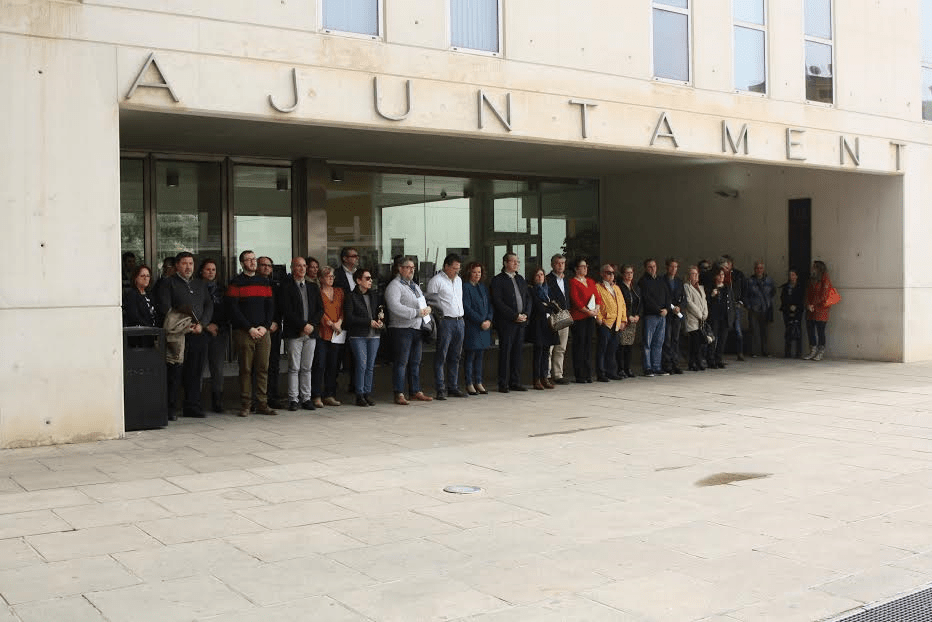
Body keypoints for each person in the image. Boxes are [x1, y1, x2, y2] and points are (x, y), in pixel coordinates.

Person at [157, 251, 213, 420]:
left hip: (198, 333)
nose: (188, 267)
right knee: (175, 372)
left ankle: (192, 406)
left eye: (191, 263)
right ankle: (170, 409)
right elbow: (165, 309)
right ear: (177, 266)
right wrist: (185, 325)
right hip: (178, 335)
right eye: (184, 263)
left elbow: (209, 305)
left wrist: (201, 324)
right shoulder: (168, 283)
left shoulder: (200, 284)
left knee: (195, 372)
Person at [227, 250, 277, 417]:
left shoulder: (265, 282)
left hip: (263, 332)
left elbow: (270, 307)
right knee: (246, 369)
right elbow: (233, 310)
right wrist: (249, 328)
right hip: (244, 332)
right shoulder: (236, 282)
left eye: (254, 259)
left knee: (263, 368)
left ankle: (262, 403)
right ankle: (246, 404)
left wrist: (265, 326)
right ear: (242, 264)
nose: (252, 262)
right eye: (248, 260)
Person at [385, 256, 434, 405]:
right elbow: (394, 307)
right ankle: (399, 393)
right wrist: (416, 313)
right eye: (408, 267)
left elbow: (421, 302)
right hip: (401, 329)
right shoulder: (394, 286)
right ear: (400, 269)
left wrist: (427, 311)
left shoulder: (414, 285)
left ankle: (415, 391)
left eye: (413, 267)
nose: (411, 270)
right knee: (401, 362)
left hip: (417, 328)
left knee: (415, 362)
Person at [281, 257, 323, 412]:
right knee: (294, 367)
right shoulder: (286, 287)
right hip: (295, 332)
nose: (302, 269)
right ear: (292, 268)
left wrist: (311, 324)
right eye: (298, 266)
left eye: (304, 266)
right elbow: (287, 311)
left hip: (311, 332)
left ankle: (306, 398)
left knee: (307, 367)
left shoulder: (313, 287)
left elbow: (320, 309)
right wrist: (302, 325)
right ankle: (293, 399)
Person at [426, 254, 466, 399]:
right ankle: (440, 388)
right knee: (441, 355)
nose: (456, 271)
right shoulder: (436, 281)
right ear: (446, 266)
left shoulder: (459, 280)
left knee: (456, 356)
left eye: (458, 269)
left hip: (459, 320)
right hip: (445, 321)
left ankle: (453, 386)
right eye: (454, 268)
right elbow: (431, 304)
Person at [490, 252, 531, 392]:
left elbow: (527, 298)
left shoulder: (520, 279)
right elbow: (498, 302)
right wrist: (514, 315)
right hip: (507, 322)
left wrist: (525, 314)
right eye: (513, 261)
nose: (516, 264)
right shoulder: (498, 280)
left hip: (521, 322)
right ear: (505, 263)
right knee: (506, 352)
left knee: (518, 352)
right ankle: (503, 383)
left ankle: (516, 381)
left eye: (517, 262)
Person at [344, 268, 384, 406]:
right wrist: (368, 322)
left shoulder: (374, 295)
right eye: (367, 278)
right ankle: (359, 394)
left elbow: (379, 311)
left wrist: (379, 321)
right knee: (361, 364)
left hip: (374, 335)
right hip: (358, 335)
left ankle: (367, 393)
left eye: (371, 278)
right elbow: (349, 317)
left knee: (370, 365)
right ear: (358, 280)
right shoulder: (351, 296)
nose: (370, 281)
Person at [198, 258, 229, 413]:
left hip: (219, 332)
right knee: (199, 367)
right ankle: (197, 401)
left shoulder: (222, 289)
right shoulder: (196, 288)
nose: (211, 272)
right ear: (202, 271)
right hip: (201, 332)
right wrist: (206, 325)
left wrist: (217, 325)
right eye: (208, 269)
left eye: (213, 270)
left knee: (217, 368)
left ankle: (217, 401)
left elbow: (227, 311)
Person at [314, 266, 346, 406]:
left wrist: (339, 322)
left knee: (334, 365)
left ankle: (330, 394)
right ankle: (316, 395)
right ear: (320, 278)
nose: (331, 278)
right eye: (328, 276)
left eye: (332, 276)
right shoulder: (318, 292)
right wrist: (330, 323)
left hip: (337, 333)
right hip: (323, 332)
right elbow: (318, 311)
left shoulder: (339, 292)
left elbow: (344, 309)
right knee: (320, 365)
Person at [567, 257, 601, 383]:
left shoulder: (591, 281)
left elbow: (597, 297)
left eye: (586, 266)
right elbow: (576, 301)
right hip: (579, 317)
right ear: (576, 269)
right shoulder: (573, 282)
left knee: (588, 345)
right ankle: (580, 374)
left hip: (590, 317)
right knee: (579, 346)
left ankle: (587, 374)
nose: (586, 268)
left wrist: (596, 310)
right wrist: (588, 311)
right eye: (582, 266)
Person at [462, 261, 493, 395]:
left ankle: (478, 382)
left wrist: (489, 319)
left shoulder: (483, 287)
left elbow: (490, 305)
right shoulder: (465, 287)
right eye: (474, 272)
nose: (477, 275)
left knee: (480, 356)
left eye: (479, 272)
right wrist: (481, 321)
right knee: (470, 356)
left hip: (484, 327)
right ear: (469, 272)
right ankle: (469, 383)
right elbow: (467, 308)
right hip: (473, 327)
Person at [257, 256, 284, 409]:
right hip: (258, 329)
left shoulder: (276, 285)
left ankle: (272, 395)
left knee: (274, 364)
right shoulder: (253, 283)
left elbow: (280, 307)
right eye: (263, 265)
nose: (266, 268)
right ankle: (259, 397)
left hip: (274, 328)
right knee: (259, 365)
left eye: (269, 265)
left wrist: (276, 323)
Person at [638, 258, 671, 377]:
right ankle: (648, 368)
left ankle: (657, 367)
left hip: (663, 315)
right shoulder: (643, 281)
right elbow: (646, 299)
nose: (652, 269)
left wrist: (667, 309)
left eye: (654, 266)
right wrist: (658, 310)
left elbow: (668, 296)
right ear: (646, 268)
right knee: (647, 342)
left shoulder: (661, 280)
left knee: (659, 342)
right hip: (650, 315)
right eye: (650, 267)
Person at [527, 268, 559, 390]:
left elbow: (553, 305)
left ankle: (545, 377)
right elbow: (538, 306)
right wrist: (547, 305)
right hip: (538, 324)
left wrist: (547, 305)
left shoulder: (547, 289)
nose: (540, 277)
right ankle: (536, 379)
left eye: (542, 275)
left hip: (549, 324)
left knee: (546, 352)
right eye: (537, 275)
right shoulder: (531, 289)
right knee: (538, 352)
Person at [595, 264, 626, 381]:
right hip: (605, 322)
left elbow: (622, 305)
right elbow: (595, 303)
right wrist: (599, 318)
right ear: (602, 274)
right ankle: (601, 373)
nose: (611, 275)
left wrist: (623, 319)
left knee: (613, 349)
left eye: (613, 273)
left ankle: (611, 371)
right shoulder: (598, 287)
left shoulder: (616, 288)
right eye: (608, 273)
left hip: (616, 322)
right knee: (602, 349)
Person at [546, 253, 572, 385]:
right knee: (550, 346)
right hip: (553, 316)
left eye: (562, 263)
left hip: (565, 316)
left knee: (561, 347)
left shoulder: (566, 280)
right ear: (552, 264)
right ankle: (547, 373)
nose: (560, 266)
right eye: (557, 263)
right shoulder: (547, 279)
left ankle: (558, 374)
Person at [804, 260, 834, 361]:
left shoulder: (825, 279)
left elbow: (824, 295)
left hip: (821, 310)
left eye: (814, 267)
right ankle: (812, 350)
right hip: (811, 309)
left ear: (819, 268)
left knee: (820, 331)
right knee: (810, 330)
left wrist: (813, 304)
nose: (812, 269)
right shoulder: (811, 279)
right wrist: (808, 304)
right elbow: (807, 293)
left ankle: (820, 351)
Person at [745, 260, 776, 357]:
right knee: (753, 331)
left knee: (765, 331)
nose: (759, 270)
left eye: (761, 268)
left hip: (765, 308)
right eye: (757, 268)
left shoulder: (769, 280)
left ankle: (765, 351)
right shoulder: (750, 281)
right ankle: (753, 351)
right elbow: (746, 294)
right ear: (754, 269)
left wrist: (768, 302)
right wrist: (748, 306)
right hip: (754, 308)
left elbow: (773, 292)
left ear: (764, 269)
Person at [661, 258, 686, 374]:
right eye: (671, 266)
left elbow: (684, 298)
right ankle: (667, 364)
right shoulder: (662, 280)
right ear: (667, 267)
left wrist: (679, 307)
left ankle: (675, 363)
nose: (674, 269)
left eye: (676, 267)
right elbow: (661, 297)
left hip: (677, 314)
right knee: (667, 339)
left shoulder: (679, 281)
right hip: (667, 314)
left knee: (675, 339)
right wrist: (669, 307)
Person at [616, 264, 641, 379]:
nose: (629, 275)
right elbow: (620, 304)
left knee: (629, 345)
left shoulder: (634, 286)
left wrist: (637, 315)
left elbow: (640, 302)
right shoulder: (619, 287)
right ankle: (620, 368)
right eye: (627, 273)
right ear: (622, 274)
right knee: (622, 345)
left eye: (631, 273)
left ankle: (628, 368)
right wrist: (627, 316)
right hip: (624, 320)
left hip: (633, 320)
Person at [682, 265, 709, 371]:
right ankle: (693, 362)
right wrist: (699, 314)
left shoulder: (701, 288)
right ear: (689, 276)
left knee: (699, 342)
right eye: (693, 274)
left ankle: (697, 361)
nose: (696, 275)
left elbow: (705, 302)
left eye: (697, 273)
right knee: (694, 342)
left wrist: (705, 313)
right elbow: (689, 302)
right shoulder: (686, 287)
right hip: (692, 318)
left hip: (701, 319)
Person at [705, 266, 732, 369]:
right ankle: (710, 359)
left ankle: (718, 359)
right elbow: (707, 302)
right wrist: (712, 295)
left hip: (724, 317)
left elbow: (731, 303)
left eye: (723, 275)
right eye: (719, 275)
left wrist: (731, 316)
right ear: (715, 276)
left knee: (722, 339)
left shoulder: (727, 287)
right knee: (713, 338)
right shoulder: (710, 287)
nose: (721, 277)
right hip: (714, 316)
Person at [722, 255, 747, 361]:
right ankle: (720, 352)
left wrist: (741, 301)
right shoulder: (721, 274)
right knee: (724, 329)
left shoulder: (738, 274)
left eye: (728, 263)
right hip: (724, 305)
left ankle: (740, 352)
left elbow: (744, 288)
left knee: (737, 329)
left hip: (736, 305)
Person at [780, 268, 805, 358]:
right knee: (788, 330)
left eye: (793, 275)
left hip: (798, 311)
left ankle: (798, 353)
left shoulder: (800, 287)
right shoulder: (786, 287)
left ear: (797, 276)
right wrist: (789, 306)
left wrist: (796, 307)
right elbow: (783, 298)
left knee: (797, 330)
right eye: (790, 275)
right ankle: (787, 352)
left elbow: (802, 299)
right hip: (787, 310)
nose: (792, 277)